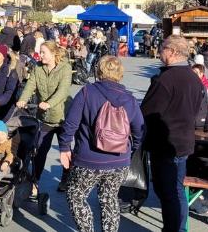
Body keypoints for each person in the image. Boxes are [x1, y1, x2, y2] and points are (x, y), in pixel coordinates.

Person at [59, 56, 145, 232]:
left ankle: (87, 229)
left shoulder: (86, 92)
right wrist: (131, 150)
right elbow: (140, 131)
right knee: (109, 198)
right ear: (120, 74)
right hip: (119, 162)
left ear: (98, 72)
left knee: (75, 195)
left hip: (88, 161)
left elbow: (70, 124)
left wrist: (64, 147)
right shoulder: (129, 99)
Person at [141, 35, 204, 232]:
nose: (160, 50)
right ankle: (179, 228)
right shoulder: (194, 78)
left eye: (163, 47)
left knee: (167, 191)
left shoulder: (166, 79)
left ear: (173, 52)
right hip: (183, 141)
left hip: (165, 144)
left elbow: (147, 112)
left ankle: (173, 228)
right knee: (175, 190)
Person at [15, 41, 72, 196]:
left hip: (63, 116)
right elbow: (30, 85)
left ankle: (66, 178)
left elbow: (63, 90)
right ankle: (35, 181)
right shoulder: (38, 68)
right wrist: (23, 99)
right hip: (45, 117)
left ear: (54, 54)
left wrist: (49, 103)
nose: (40, 55)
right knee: (39, 151)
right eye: (40, 52)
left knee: (64, 150)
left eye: (43, 52)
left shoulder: (65, 68)